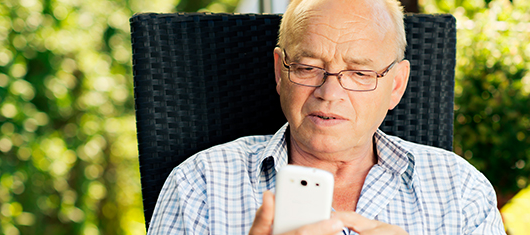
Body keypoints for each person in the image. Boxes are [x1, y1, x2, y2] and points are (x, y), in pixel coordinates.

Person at [147, 0, 506, 234]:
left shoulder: (460, 191)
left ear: (396, 85)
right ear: (279, 71)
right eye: (307, 67)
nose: (329, 93)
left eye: (360, 74)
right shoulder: (200, 185)